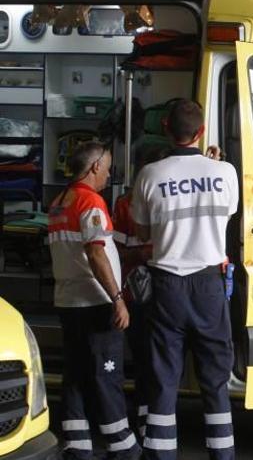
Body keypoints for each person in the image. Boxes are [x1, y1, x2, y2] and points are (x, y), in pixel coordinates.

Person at [131, 100, 239, 460]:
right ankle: (222, 456)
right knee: (215, 382)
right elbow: (229, 212)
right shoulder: (225, 172)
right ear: (202, 131)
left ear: (165, 127)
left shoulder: (150, 174)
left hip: (167, 286)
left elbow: (141, 230)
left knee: (164, 378)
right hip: (209, 285)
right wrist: (214, 163)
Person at [47, 142, 140, 460]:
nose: (110, 173)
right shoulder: (91, 201)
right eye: (108, 166)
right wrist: (117, 298)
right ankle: (123, 447)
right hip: (96, 304)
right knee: (106, 374)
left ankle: (77, 445)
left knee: (75, 373)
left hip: (69, 302)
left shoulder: (60, 202)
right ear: (95, 167)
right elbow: (96, 251)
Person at [112, 144, 167, 440]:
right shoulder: (130, 203)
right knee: (152, 362)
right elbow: (120, 251)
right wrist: (151, 252)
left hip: (142, 290)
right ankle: (148, 423)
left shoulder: (128, 201)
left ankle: (146, 420)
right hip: (149, 290)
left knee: (149, 361)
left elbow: (121, 251)